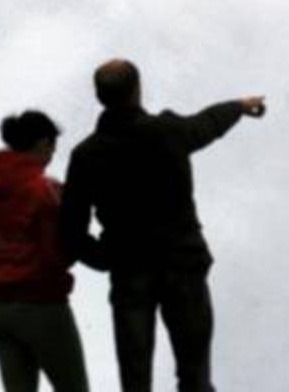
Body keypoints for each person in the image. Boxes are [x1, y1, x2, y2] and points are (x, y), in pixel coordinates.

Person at [59, 59, 265, 392]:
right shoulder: (167, 131)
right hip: (183, 266)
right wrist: (240, 106)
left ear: (99, 97)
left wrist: (107, 258)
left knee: (135, 379)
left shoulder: (86, 156)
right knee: (194, 374)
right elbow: (206, 124)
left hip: (129, 275)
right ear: (138, 90)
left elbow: (70, 233)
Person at [0, 110, 93, 392]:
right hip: (43, 308)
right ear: (42, 143)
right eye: (51, 150)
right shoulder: (44, 191)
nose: (50, 159)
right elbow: (57, 254)